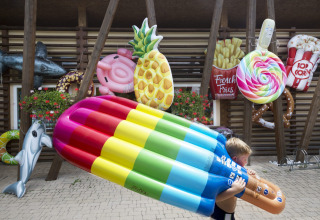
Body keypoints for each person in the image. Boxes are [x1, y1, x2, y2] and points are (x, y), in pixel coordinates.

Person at [211, 137, 256, 220]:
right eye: (245, 159)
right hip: (221, 215)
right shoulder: (225, 175)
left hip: (228, 214)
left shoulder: (235, 172)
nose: (246, 162)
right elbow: (215, 198)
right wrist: (234, 190)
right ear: (234, 159)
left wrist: (248, 172)